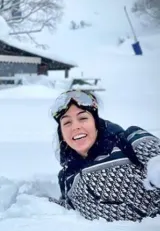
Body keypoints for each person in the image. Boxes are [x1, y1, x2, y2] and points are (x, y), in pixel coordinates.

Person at [48, 89, 160, 222]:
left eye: (83, 118)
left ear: (95, 122)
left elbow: (155, 158)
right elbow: (66, 214)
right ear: (61, 133)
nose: (75, 127)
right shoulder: (66, 177)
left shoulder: (129, 140)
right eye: (67, 122)